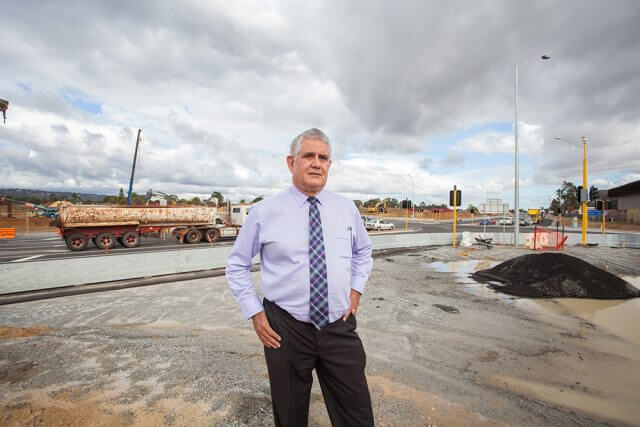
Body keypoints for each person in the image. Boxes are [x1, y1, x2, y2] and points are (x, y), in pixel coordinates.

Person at [226, 128, 374, 426]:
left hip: (339, 326)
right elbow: (237, 264)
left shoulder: (347, 208)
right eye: (308, 156)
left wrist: (356, 291)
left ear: (329, 165)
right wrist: (255, 313)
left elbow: (363, 252)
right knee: (290, 413)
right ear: (291, 162)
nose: (316, 163)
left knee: (356, 413)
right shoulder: (264, 212)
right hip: (286, 328)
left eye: (324, 157)